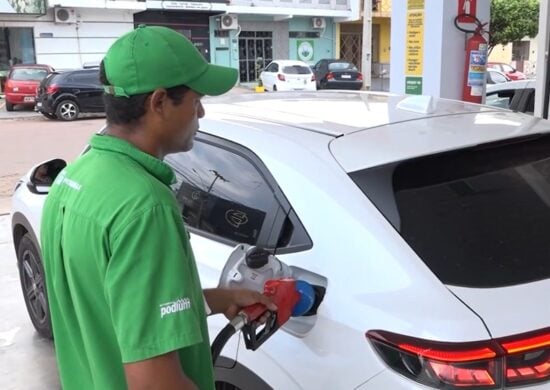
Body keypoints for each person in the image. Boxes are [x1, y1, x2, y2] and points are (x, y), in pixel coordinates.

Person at [40, 25, 276, 390]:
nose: (201, 112)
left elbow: (116, 309)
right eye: (196, 98)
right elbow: (154, 382)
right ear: (160, 102)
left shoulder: (76, 178)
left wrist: (214, 300)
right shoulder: (145, 207)